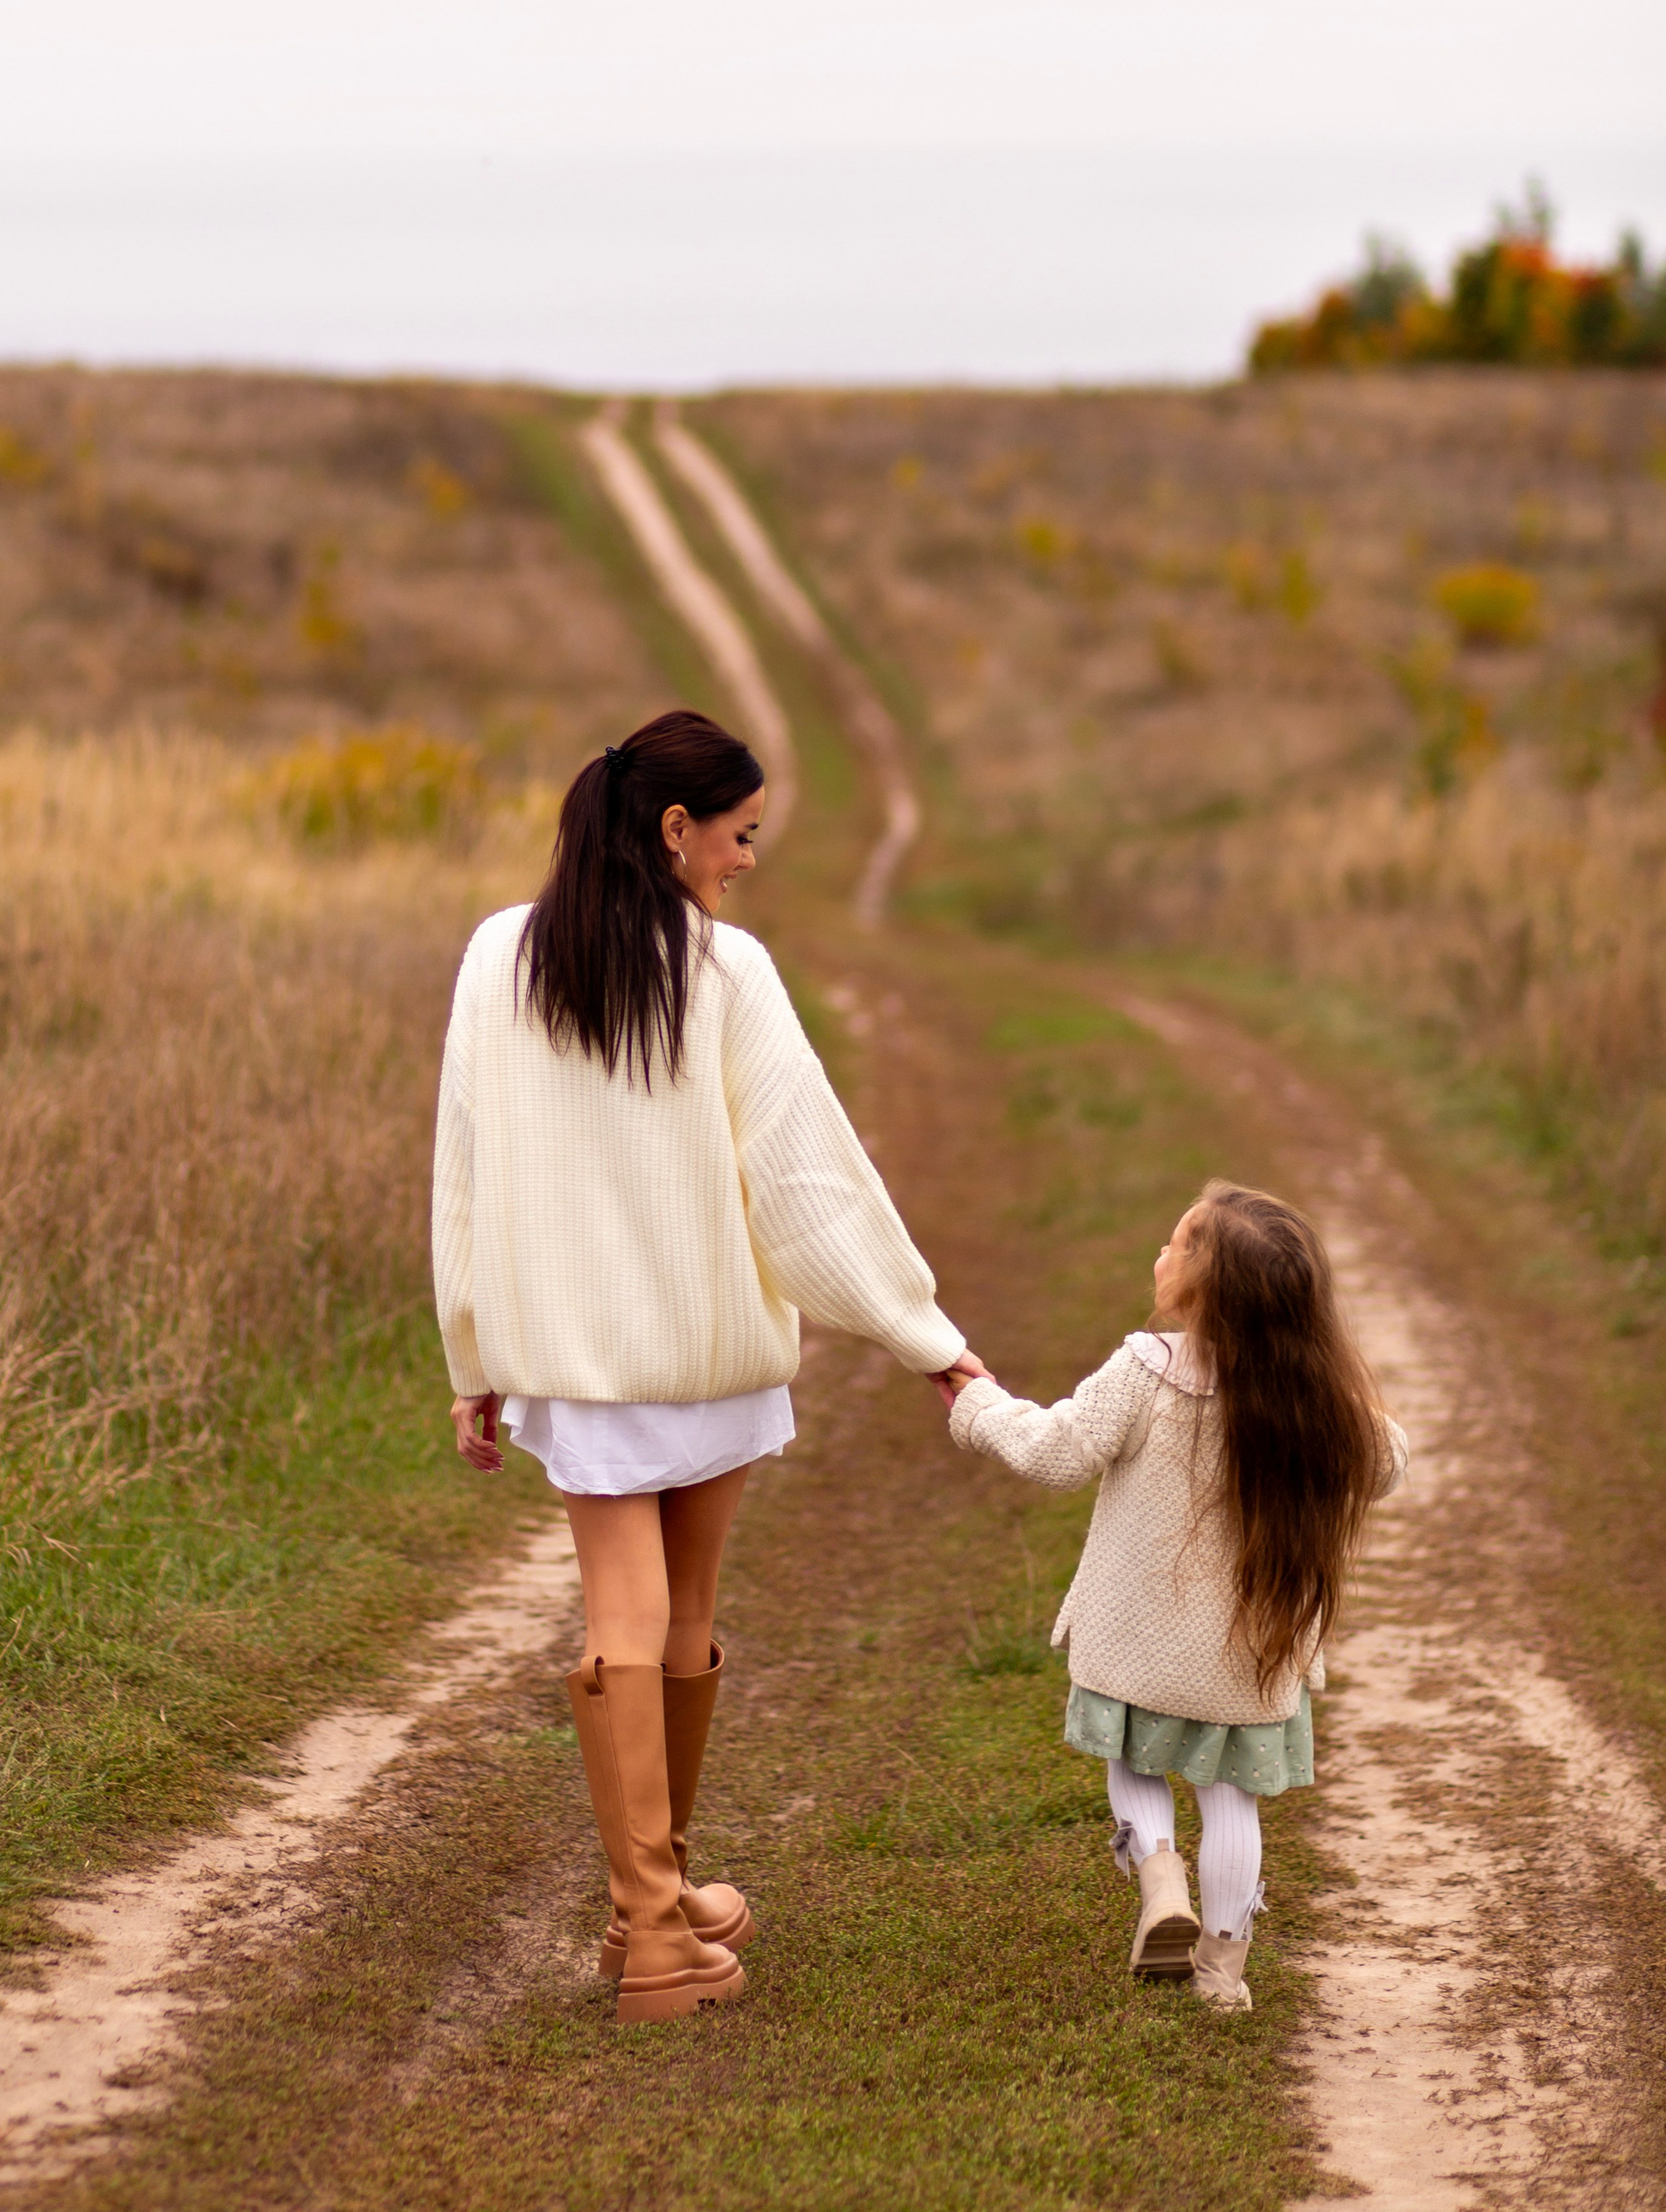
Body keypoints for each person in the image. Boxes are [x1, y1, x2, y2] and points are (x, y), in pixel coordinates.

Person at [432, 709, 980, 2024]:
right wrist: (924, 1335)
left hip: (578, 1360)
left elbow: (468, 1171)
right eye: (740, 835)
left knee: (624, 1620)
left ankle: (658, 1909)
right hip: (710, 1350)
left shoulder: (500, 954)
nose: (746, 860)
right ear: (675, 829)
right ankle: (655, 1929)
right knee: (677, 1620)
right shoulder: (730, 974)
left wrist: (474, 1353)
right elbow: (807, 1184)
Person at [943, 1180, 1407, 2010]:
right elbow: (1385, 1465)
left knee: (1133, 1761)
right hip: (1249, 1653)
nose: (1160, 1251)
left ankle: (1160, 1879)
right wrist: (1331, 1383)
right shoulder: (1309, 1395)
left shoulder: (1144, 1369)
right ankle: (1222, 1975)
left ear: (1202, 1286)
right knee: (1231, 1803)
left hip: (1138, 1640)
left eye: (1176, 1242)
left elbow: (1056, 1453)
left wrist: (978, 1405)